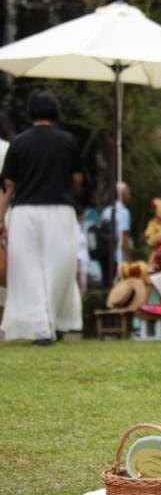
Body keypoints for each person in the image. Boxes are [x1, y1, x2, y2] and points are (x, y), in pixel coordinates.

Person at [0, 89, 83, 344]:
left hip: (25, 212)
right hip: (60, 211)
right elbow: (78, 179)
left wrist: (0, 217)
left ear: (30, 112)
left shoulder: (19, 142)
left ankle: (39, 326)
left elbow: (8, 186)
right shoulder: (68, 141)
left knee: (28, 271)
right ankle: (56, 321)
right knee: (59, 269)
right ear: (56, 111)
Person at [99, 181, 134, 271]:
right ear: (121, 194)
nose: (129, 196)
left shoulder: (106, 211)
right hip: (119, 258)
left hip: (105, 257)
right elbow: (123, 238)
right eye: (127, 193)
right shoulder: (124, 212)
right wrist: (130, 258)